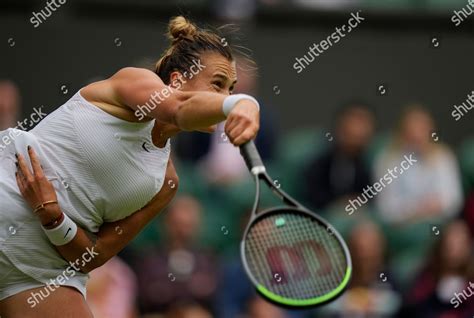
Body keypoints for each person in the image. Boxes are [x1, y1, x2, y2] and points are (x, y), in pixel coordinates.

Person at [0, 16, 260, 317]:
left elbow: (93, 257)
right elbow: (180, 109)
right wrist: (242, 104)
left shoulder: (166, 183)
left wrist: (54, 218)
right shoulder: (134, 82)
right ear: (177, 81)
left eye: (231, 90)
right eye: (218, 85)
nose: (225, 98)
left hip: (39, 272)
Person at [374, 105, 463, 224]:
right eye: (412, 130)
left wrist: (435, 206)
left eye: (422, 129)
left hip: (438, 222)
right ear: (402, 131)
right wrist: (415, 210)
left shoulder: (443, 157)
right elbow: (385, 206)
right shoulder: (387, 160)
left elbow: (453, 199)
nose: (417, 135)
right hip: (400, 225)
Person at [135, 195, 218, 314]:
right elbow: (147, 296)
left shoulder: (207, 258)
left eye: (188, 225)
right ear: (165, 224)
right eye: (177, 224)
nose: (182, 231)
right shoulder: (149, 259)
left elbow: (213, 293)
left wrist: (168, 289)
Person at [304, 102, 375, 210]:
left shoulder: (370, 164)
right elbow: (313, 196)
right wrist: (340, 203)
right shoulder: (320, 163)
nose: (359, 131)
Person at [400, 220, 474, 317]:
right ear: (442, 245)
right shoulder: (427, 279)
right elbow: (413, 308)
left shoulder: (471, 285)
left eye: (460, 244)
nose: (454, 250)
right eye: (450, 243)